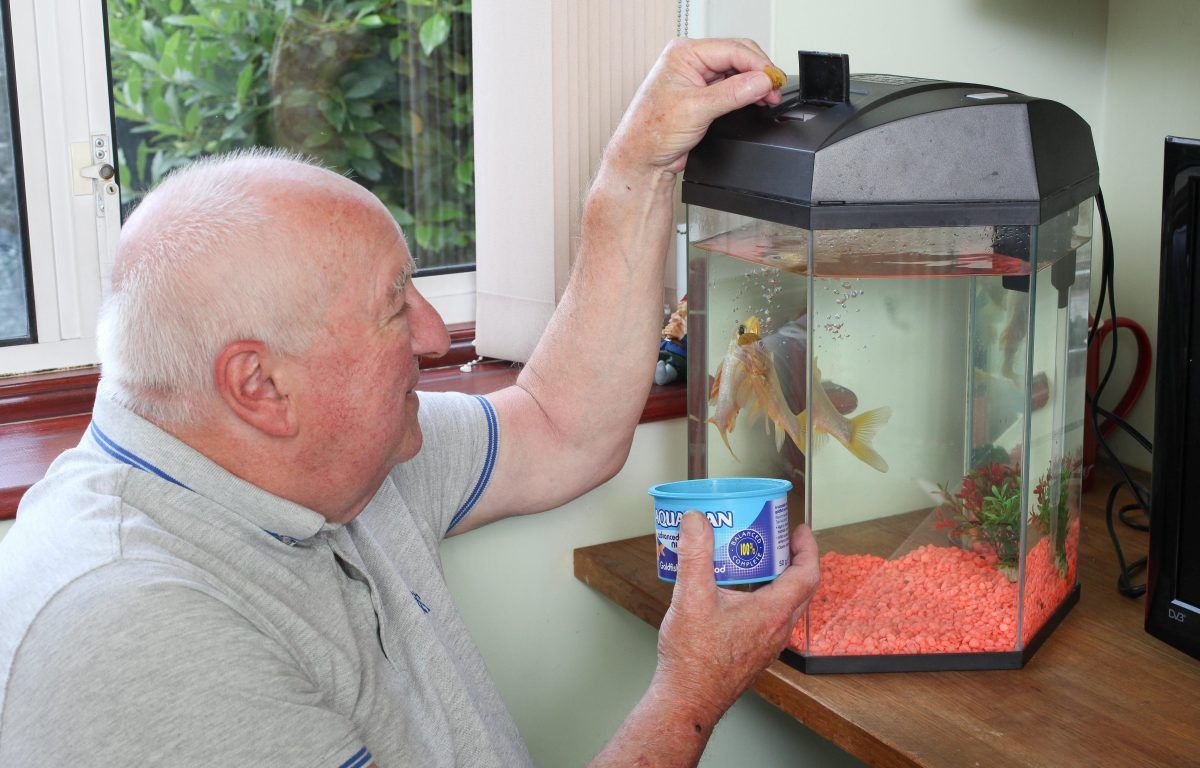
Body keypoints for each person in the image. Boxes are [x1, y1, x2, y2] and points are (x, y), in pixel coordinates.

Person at [0, 38, 819, 767]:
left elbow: (562, 426)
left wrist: (639, 170)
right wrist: (691, 695)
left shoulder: (324, 462)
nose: (435, 338)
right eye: (397, 303)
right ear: (259, 387)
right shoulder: (140, 639)